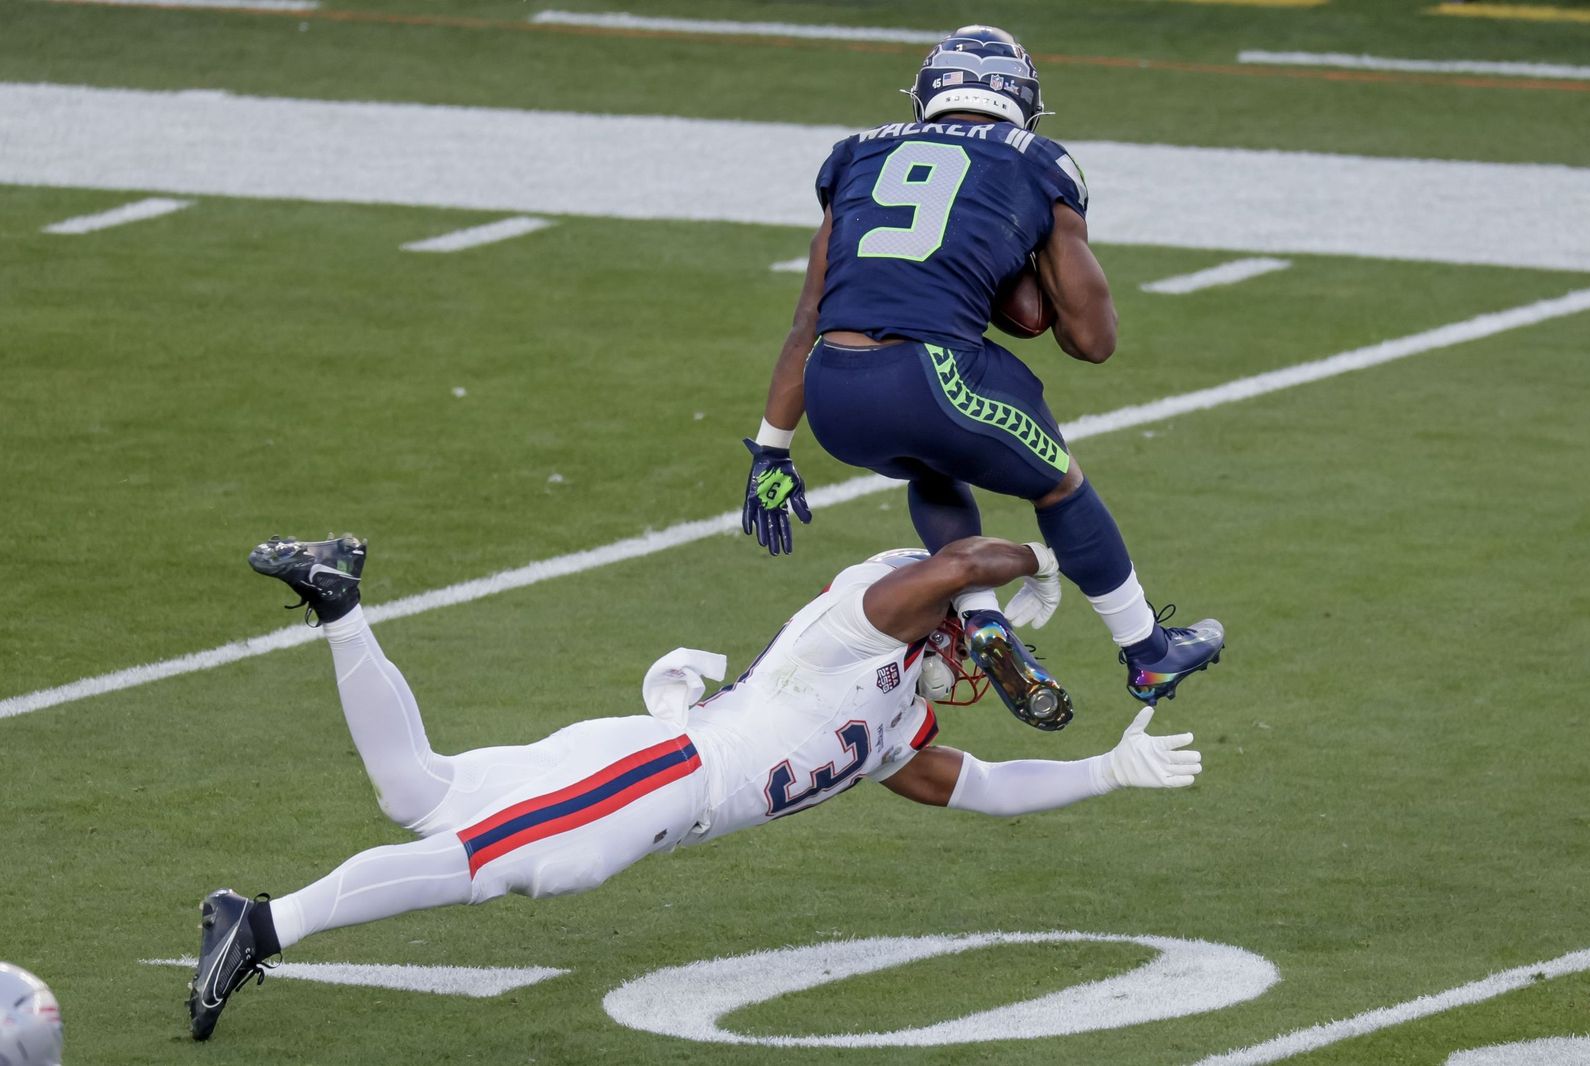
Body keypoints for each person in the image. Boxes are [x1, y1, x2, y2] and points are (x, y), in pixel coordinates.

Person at [189, 533, 1204, 1041]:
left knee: (422, 793)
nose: (987, 667)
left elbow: (981, 786)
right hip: (671, 770)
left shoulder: (902, 719)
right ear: (941, 619)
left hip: (662, 768)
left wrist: (1103, 772)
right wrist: (1042, 565)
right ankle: (259, 923)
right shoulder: (855, 625)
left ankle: (337, 600)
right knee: (517, 862)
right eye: (980, 643)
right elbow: (960, 556)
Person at [739, 25, 1223, 712]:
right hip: (931, 376)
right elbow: (1093, 341)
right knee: (1058, 484)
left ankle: (980, 616)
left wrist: (771, 450)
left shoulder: (854, 155)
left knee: (931, 465)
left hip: (834, 392)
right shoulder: (1038, 161)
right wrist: (1026, 269)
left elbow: (805, 322)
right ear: (1023, 101)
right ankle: (1150, 653)